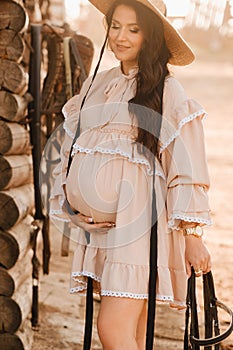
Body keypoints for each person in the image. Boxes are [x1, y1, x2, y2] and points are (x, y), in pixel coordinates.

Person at [49, 0, 212, 349]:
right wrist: (72, 205)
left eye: (133, 29)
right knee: (132, 334)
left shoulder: (168, 92)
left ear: (150, 37)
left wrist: (193, 235)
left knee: (111, 329)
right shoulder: (100, 86)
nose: (120, 37)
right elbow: (72, 150)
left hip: (140, 229)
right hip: (104, 232)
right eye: (115, 26)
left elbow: (187, 167)